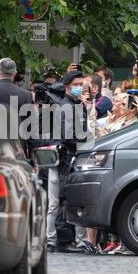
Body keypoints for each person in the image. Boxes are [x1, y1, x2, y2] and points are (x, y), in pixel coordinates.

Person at [54, 70, 88, 254]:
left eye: (81, 84)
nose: (80, 87)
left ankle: (68, 239)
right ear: (67, 86)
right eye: (77, 84)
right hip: (68, 155)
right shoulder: (65, 106)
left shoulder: (76, 105)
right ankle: (64, 240)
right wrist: (84, 141)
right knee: (64, 197)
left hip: (74, 154)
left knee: (69, 196)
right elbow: (67, 135)